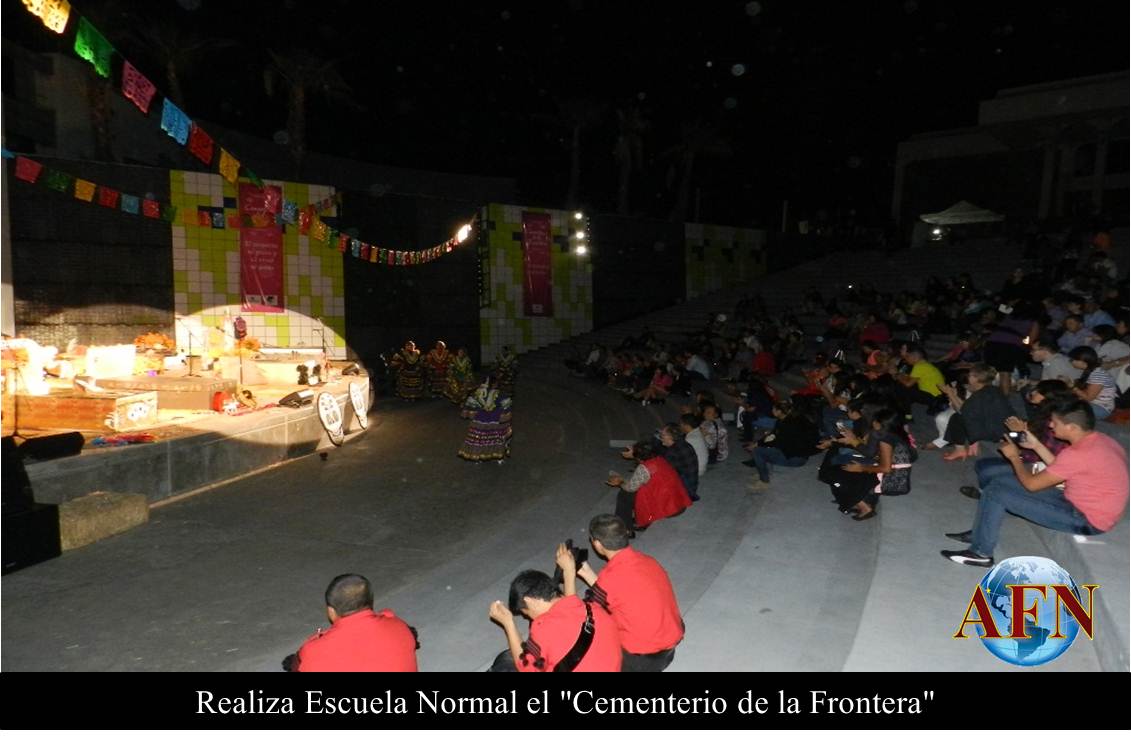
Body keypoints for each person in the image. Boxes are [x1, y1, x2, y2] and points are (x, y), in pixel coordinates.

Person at [941, 399, 1130, 567]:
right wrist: (1037, 446)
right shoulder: (1101, 440)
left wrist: (1015, 457)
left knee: (997, 492)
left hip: (1087, 519)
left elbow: (1031, 485)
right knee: (1000, 482)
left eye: (1055, 422)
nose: (1050, 425)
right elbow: (1062, 468)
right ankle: (978, 535)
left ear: (1071, 427)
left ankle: (980, 553)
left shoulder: (1078, 453)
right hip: (1080, 503)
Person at [558, 515, 684, 672]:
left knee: (584, 634)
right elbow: (613, 592)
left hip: (639, 661)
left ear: (597, 544)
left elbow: (575, 615)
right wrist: (586, 572)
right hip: (667, 649)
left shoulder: (610, 578)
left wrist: (569, 573)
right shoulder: (648, 560)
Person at [487, 570, 622, 672]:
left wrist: (509, 624)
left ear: (529, 601)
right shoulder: (592, 608)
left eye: (525, 612)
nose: (529, 617)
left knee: (505, 661)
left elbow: (526, 668)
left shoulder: (543, 629)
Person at [286, 574, 418, 672]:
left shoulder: (314, 650)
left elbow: (296, 666)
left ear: (331, 612)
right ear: (370, 602)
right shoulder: (400, 627)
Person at [930, 363, 1015, 461]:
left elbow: (962, 411)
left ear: (976, 378)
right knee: (961, 416)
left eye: (970, 375)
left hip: (997, 432)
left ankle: (959, 450)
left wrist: (950, 393)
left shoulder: (981, 395)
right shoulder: (992, 390)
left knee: (956, 418)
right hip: (1003, 428)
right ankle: (960, 445)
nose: (968, 377)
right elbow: (967, 407)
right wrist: (952, 394)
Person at [606, 440, 692, 535]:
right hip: (677, 504)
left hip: (666, 508)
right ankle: (642, 518)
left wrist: (620, 482)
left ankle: (626, 529)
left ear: (638, 456)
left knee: (624, 495)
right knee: (640, 487)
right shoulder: (660, 459)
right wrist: (635, 453)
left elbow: (630, 488)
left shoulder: (644, 468)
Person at [745, 400, 819, 492]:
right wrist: (758, 442)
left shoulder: (788, 424)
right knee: (762, 442)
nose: (772, 411)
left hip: (796, 458)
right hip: (793, 452)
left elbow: (777, 442)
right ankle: (765, 471)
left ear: (779, 411)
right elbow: (774, 434)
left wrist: (757, 445)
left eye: (774, 409)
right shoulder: (786, 419)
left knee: (758, 451)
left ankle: (764, 481)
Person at [457, 377, 512, 462]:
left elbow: (470, 407)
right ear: (495, 384)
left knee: (480, 440)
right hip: (495, 422)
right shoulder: (500, 394)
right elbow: (506, 406)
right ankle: (498, 457)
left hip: (479, 422)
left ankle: (479, 457)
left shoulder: (477, 394)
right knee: (495, 439)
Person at [1067, 345, 1118, 421]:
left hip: (1101, 408)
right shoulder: (1091, 371)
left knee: (1067, 413)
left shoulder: (1097, 374)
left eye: (1072, 359)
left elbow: (1089, 398)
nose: (1070, 362)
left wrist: (1072, 387)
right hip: (1094, 403)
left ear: (1082, 361)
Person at [657, 424, 700, 501]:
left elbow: (665, 472)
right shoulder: (684, 443)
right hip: (692, 484)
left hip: (686, 490)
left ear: (670, 436)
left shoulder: (672, 452)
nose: (660, 437)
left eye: (662, 435)